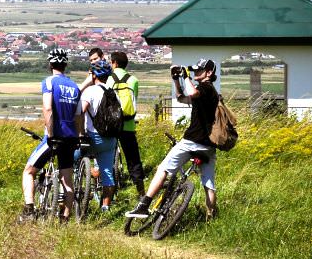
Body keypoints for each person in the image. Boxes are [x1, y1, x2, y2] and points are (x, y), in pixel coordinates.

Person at [126, 58, 220, 220]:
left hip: (192, 141)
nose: (196, 72)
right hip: (208, 146)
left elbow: (192, 93)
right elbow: (182, 98)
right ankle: (211, 218)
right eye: (194, 70)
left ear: (209, 73)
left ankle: (144, 205)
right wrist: (176, 80)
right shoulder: (207, 92)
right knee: (208, 184)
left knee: (163, 169)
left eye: (199, 70)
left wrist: (185, 76)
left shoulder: (206, 88)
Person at [19, 48, 81, 222]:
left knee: (29, 172)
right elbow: (78, 116)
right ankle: (65, 218)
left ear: (50, 64)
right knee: (67, 181)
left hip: (55, 136)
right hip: (71, 138)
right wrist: (78, 136)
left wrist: (51, 134)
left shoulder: (49, 82)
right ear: (66, 65)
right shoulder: (75, 87)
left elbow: (47, 108)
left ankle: (29, 210)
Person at [76, 59, 119, 211]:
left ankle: (74, 186)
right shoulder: (113, 94)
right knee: (107, 172)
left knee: (72, 158)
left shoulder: (90, 91)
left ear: (93, 75)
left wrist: (80, 133)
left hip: (92, 137)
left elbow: (80, 112)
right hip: (110, 139)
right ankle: (105, 207)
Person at [110, 51, 146, 196]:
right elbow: (133, 101)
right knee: (133, 160)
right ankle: (141, 193)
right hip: (129, 125)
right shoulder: (134, 80)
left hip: (112, 126)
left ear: (115, 63)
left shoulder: (109, 80)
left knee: (107, 158)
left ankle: (108, 194)